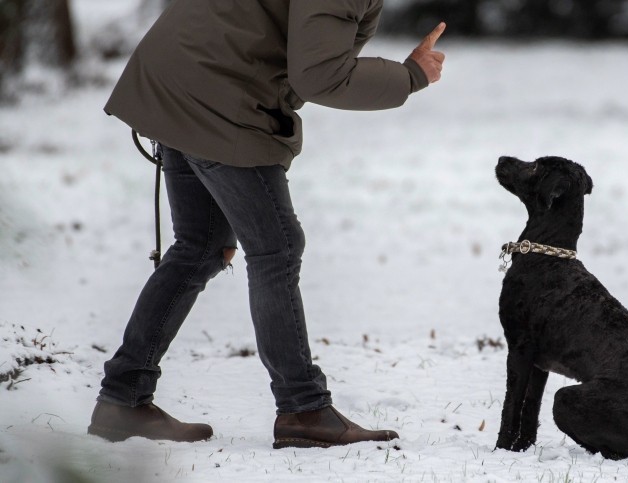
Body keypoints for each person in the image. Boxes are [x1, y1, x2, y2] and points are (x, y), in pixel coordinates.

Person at [87, 0, 445, 448]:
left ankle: (123, 399)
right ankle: (303, 409)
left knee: (201, 245)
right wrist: (410, 75)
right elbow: (319, 74)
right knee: (275, 247)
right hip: (217, 96)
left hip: (177, 78)